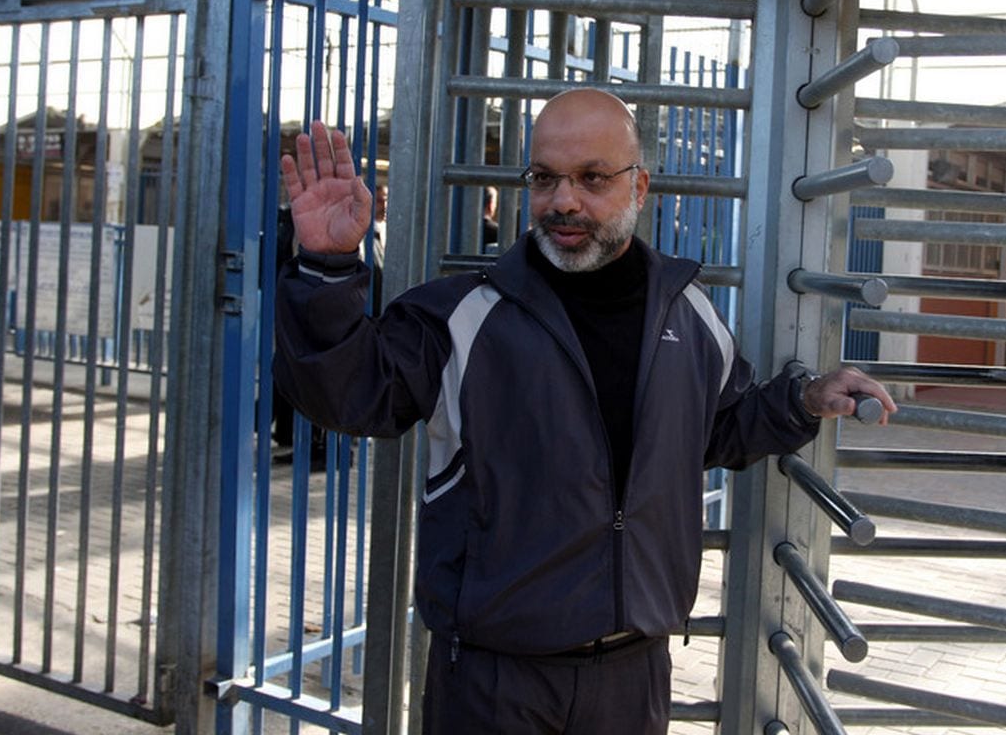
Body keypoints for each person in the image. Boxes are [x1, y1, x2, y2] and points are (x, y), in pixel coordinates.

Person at [274, 88, 896, 734]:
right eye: (544, 178)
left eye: (592, 178)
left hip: (634, 678)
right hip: (493, 684)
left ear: (639, 186)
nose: (563, 201)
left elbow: (718, 428)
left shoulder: (688, 316)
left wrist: (800, 400)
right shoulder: (460, 317)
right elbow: (346, 393)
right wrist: (325, 267)